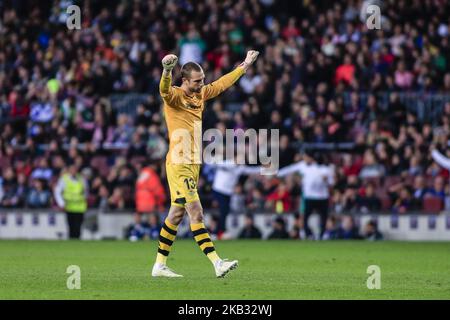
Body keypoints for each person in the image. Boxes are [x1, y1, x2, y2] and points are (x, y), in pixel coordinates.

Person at [151, 50, 259, 278]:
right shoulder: (175, 96)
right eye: (197, 81)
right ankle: (217, 263)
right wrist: (167, 71)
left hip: (193, 163)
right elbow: (163, 90)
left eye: (202, 80)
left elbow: (221, 84)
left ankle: (159, 266)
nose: (201, 85)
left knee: (175, 215)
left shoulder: (199, 95)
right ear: (185, 81)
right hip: (179, 162)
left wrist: (245, 65)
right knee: (196, 213)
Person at [278, 152, 335, 239]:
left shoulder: (326, 169)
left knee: (323, 218)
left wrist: (326, 180)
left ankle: (322, 235)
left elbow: (332, 183)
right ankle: (309, 234)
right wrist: (278, 173)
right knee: (305, 218)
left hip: (322, 197)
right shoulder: (304, 166)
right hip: (309, 197)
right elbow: (290, 169)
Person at [54, 163, 89, 239]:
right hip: (69, 206)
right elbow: (57, 192)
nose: (74, 171)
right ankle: (72, 242)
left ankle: (77, 243)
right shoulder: (64, 179)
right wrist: (62, 204)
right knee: (71, 227)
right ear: (69, 170)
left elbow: (86, 191)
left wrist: (84, 199)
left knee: (78, 227)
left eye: (75, 169)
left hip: (80, 207)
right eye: (72, 169)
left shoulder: (82, 179)